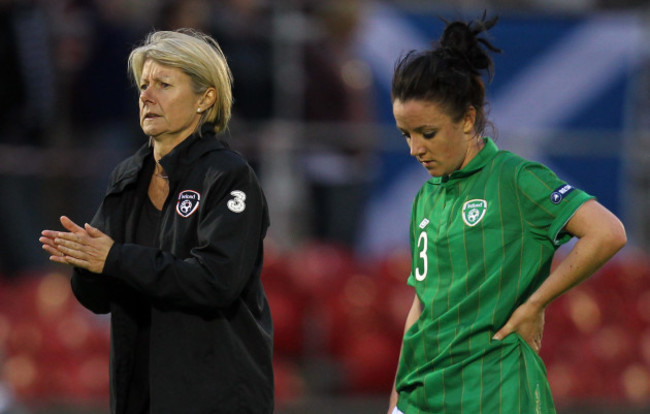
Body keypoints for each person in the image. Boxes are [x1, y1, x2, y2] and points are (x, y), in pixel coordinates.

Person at [386, 15, 626, 414]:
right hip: (422, 396)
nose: (415, 149)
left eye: (427, 133)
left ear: (466, 119)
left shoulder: (516, 179)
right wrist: (396, 397)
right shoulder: (425, 198)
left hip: (494, 393)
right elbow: (422, 303)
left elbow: (608, 232)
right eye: (405, 135)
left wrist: (535, 304)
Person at [39, 29, 273, 414]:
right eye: (144, 85)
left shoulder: (229, 176)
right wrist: (85, 264)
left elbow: (215, 281)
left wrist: (113, 259)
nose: (147, 96)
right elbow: (99, 299)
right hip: (140, 397)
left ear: (205, 98)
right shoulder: (128, 176)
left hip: (217, 398)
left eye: (164, 84)